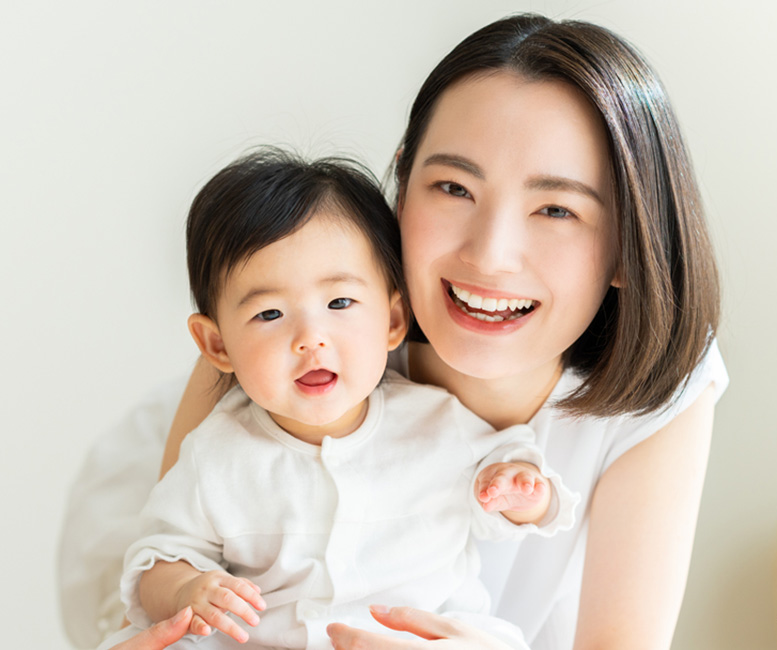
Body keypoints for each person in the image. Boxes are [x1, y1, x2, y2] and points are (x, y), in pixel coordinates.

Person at [59, 13, 728, 650]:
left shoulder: (661, 383)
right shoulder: (299, 338)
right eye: (454, 189)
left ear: (627, 244)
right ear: (403, 184)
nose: (491, 254)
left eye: (555, 208)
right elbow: (162, 577)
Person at [96, 150, 577, 650]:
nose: (311, 337)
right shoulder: (216, 453)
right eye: (269, 314)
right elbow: (157, 555)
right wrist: (186, 588)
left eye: (339, 303)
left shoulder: (437, 422)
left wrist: (520, 489)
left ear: (392, 321)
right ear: (217, 345)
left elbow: (507, 471)